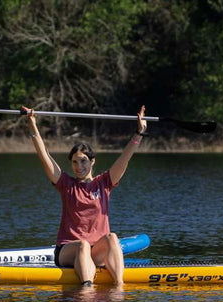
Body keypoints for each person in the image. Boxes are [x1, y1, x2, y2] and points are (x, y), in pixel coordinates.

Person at [23, 104, 147, 286]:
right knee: (82, 244)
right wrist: (33, 126)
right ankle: (86, 288)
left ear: (92, 161)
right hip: (68, 250)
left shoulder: (104, 182)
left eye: (83, 161)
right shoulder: (66, 184)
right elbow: (44, 157)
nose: (78, 166)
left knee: (112, 237)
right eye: (74, 162)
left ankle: (119, 286)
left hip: (96, 251)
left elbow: (124, 159)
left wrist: (139, 134)